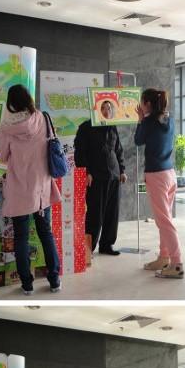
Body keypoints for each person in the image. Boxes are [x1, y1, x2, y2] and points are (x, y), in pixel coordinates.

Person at [0, 85, 62, 295]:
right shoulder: (43, 118)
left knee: (21, 238)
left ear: (11, 104)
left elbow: (2, 156)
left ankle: (27, 284)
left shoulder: (7, 128)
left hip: (19, 190)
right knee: (46, 233)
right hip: (41, 189)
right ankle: (54, 280)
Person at [135, 89, 184, 279]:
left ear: (147, 104)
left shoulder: (148, 122)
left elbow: (138, 140)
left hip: (156, 175)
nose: (141, 105)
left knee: (164, 221)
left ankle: (176, 263)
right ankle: (164, 257)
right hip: (170, 174)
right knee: (165, 219)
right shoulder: (168, 120)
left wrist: (141, 120)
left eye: (142, 102)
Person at [74, 100, 127, 256]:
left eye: (108, 108)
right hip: (96, 177)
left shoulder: (112, 127)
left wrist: (122, 170)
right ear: (95, 109)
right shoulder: (85, 127)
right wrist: (86, 172)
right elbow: (80, 152)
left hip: (114, 176)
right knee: (94, 215)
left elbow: (118, 150)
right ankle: (88, 248)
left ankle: (106, 245)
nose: (106, 110)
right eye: (102, 108)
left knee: (112, 213)